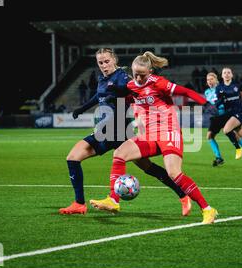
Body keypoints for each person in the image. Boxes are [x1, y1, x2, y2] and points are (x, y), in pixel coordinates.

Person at [59, 48, 192, 216]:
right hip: (105, 132)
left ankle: (183, 195)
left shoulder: (123, 79)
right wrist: (82, 108)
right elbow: (98, 96)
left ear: (114, 60)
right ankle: (79, 204)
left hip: (122, 131)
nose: (104, 65)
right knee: (72, 157)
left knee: (148, 167)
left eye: (107, 61)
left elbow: (141, 92)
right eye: (100, 62)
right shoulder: (103, 79)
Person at [89, 52, 218, 224]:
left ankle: (208, 209)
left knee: (174, 173)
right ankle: (113, 200)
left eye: (142, 75)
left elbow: (185, 91)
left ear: (150, 72)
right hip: (149, 135)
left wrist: (205, 103)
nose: (139, 79)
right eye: (136, 75)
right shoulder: (131, 86)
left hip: (168, 131)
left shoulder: (159, 83)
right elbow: (126, 96)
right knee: (119, 153)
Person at [204, 73, 242, 166]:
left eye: (211, 79)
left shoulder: (222, 88)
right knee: (210, 136)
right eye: (207, 80)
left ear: (215, 79)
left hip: (225, 113)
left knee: (236, 135)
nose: (209, 81)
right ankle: (219, 158)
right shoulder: (206, 92)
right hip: (215, 117)